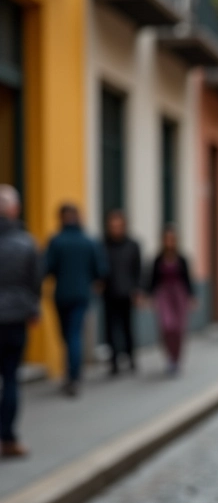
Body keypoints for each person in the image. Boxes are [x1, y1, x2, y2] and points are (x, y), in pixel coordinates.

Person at [45, 203, 106, 396]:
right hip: (81, 294)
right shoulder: (89, 241)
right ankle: (74, 375)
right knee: (74, 334)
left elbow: (46, 268)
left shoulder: (56, 241)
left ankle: (71, 375)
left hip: (62, 294)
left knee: (67, 336)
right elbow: (101, 270)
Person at [0, 185, 41, 458]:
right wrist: (33, 309)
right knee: (11, 379)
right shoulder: (26, 242)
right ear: (15, 209)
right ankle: (8, 438)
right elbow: (34, 282)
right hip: (15, 319)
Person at [148, 225, 195, 375]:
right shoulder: (157, 259)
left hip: (179, 295)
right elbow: (152, 280)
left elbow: (187, 279)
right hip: (163, 295)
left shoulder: (182, 259)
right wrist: (149, 296)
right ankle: (169, 356)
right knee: (167, 326)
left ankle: (176, 358)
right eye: (167, 239)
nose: (169, 242)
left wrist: (191, 296)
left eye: (172, 239)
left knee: (179, 329)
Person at [103, 210, 142, 375]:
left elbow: (138, 270)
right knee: (110, 329)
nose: (115, 229)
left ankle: (131, 357)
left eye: (118, 226)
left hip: (127, 293)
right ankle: (114, 362)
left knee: (127, 327)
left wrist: (138, 290)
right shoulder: (103, 245)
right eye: (113, 226)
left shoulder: (133, 245)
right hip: (109, 292)